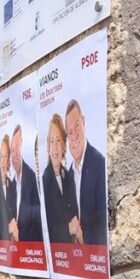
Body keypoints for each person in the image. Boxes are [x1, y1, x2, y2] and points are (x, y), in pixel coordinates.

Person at [65, 99, 108, 246]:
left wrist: (82, 237)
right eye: (70, 132)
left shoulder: (99, 164)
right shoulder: (68, 175)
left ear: (83, 122)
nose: (74, 135)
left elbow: (104, 224)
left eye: (77, 126)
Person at [41, 114, 80, 244]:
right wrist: (68, 228)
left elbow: (75, 215)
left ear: (64, 145)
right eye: (51, 141)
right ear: (47, 147)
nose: (55, 147)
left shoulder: (69, 177)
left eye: (58, 140)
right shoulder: (44, 181)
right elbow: (46, 227)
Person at [10, 125, 43, 243]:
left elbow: (41, 225)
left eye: (17, 147)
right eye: (12, 150)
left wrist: (20, 237)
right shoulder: (11, 185)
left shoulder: (33, 180)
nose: (14, 154)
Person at [0, 134, 17, 242]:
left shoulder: (12, 186)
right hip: (1, 246)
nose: (3, 161)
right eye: (1, 157)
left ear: (8, 161)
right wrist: (8, 229)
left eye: (5, 157)